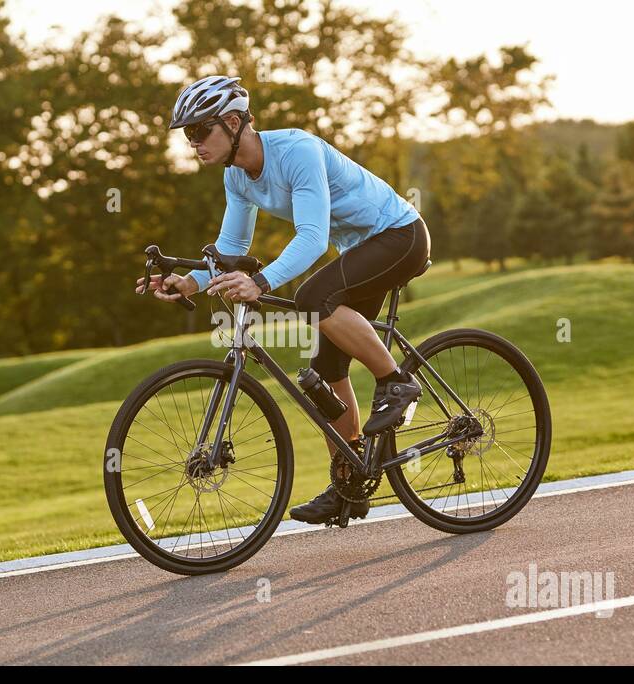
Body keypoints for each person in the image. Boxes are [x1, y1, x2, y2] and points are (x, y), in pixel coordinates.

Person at [135, 75, 430, 524]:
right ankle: (349, 482)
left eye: (198, 131)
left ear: (233, 123)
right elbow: (230, 248)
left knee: (313, 296)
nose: (193, 144)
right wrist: (189, 281)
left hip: (400, 235)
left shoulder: (298, 152)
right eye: (188, 135)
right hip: (358, 250)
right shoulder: (237, 176)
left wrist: (263, 282)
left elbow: (311, 237)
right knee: (324, 370)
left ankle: (397, 381)